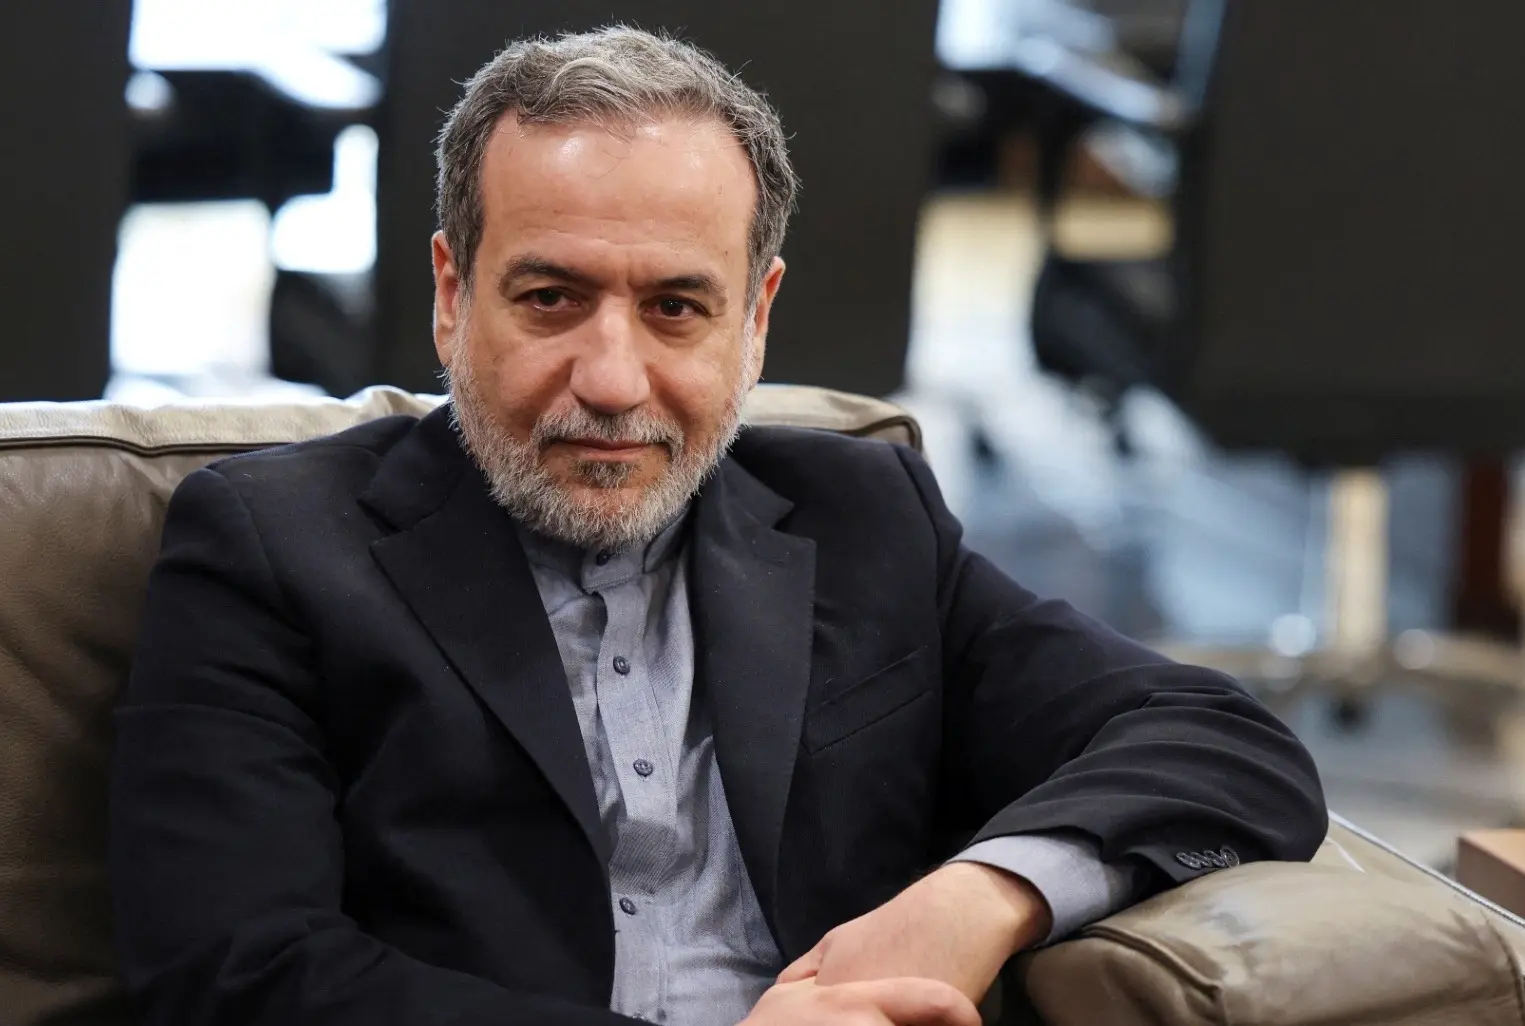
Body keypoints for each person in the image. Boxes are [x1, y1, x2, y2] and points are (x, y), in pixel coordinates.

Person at [109, 26, 1327, 1026]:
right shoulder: (270, 548)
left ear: (756, 319)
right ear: (449, 294)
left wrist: (978, 899)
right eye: (551, 298)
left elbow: (1220, 743)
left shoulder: (866, 518)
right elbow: (234, 973)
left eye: (677, 308)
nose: (612, 380)